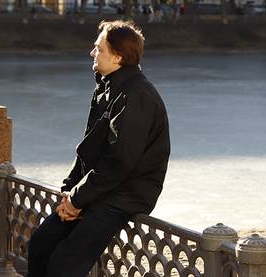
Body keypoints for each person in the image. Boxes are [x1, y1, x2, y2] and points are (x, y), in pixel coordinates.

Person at [27, 20, 170, 277]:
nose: (92, 53)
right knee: (41, 243)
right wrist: (69, 192)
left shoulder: (136, 95)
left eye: (99, 49)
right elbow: (89, 148)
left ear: (117, 56)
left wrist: (78, 199)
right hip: (98, 190)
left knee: (64, 263)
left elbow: (120, 161)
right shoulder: (107, 88)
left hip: (125, 195)